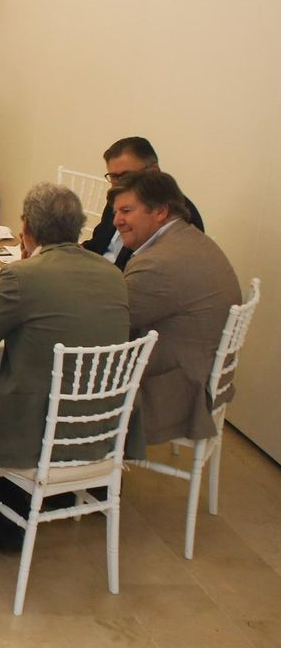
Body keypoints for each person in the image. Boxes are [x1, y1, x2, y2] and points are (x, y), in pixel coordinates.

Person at [0, 183, 131, 549]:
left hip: (39, 427)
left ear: (28, 229)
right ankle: (60, 491)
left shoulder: (24, 277)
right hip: (100, 424)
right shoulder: (113, 275)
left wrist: (24, 267)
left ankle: (7, 518)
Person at [113, 170, 241, 450]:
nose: (117, 221)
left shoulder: (158, 262)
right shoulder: (190, 238)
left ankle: (72, 477)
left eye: (126, 211)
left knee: (55, 371)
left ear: (160, 212)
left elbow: (107, 322)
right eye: (116, 212)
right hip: (199, 373)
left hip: (173, 390)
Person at [82, 136, 205, 270]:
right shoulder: (119, 197)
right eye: (113, 177)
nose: (118, 184)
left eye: (126, 176)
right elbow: (98, 243)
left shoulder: (182, 217)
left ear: (153, 171)